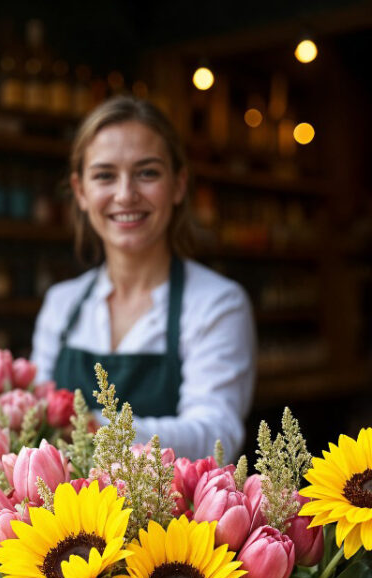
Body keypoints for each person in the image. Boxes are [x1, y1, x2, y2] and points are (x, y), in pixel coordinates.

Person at [32, 96, 256, 461]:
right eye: (105, 175)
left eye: (147, 173)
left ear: (179, 185)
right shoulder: (61, 303)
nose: (125, 194)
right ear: (81, 192)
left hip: (175, 517)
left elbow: (217, 437)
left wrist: (96, 428)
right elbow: (35, 419)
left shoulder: (218, 303)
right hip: (69, 517)